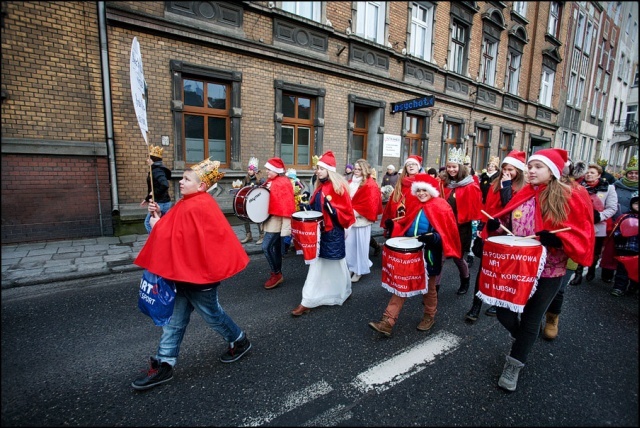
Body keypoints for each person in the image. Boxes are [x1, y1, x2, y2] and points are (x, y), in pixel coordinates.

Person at [132, 157, 251, 391]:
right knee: (174, 322)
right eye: (182, 178)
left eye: (186, 179)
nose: (180, 182)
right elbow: (176, 231)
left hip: (199, 279)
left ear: (202, 186)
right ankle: (165, 363)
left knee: (213, 316)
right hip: (183, 275)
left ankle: (240, 341)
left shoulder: (199, 205)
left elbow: (181, 237)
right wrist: (157, 219)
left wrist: (158, 227)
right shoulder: (188, 202)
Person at [481, 148, 594, 391]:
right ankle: (523, 338)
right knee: (504, 313)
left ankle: (514, 365)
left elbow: (580, 232)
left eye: (537, 167)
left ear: (552, 171)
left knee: (532, 317)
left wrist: (557, 241)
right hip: (518, 266)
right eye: (529, 166)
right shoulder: (523, 194)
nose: (530, 170)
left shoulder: (570, 195)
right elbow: (509, 226)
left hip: (549, 271)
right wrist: (496, 227)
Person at [369, 173, 461, 336]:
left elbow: (448, 233)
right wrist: (394, 224)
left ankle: (429, 316)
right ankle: (387, 321)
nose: (421, 193)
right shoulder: (414, 204)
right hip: (411, 254)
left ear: (431, 191)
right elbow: (406, 223)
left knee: (429, 289)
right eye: (418, 190)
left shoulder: (442, 206)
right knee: (401, 287)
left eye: (424, 190)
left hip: (430, 254)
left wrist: (434, 238)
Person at [291, 151, 356, 316]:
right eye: (317, 168)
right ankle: (308, 300)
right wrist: (307, 208)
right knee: (317, 266)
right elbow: (317, 210)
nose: (317, 171)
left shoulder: (338, 187)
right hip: (320, 232)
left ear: (329, 170)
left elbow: (348, 215)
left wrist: (333, 211)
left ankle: (343, 291)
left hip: (333, 232)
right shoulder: (320, 187)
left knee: (337, 264)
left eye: (320, 168)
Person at [465, 150, 526, 322]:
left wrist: (506, 187)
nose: (506, 172)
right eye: (505, 168)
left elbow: (510, 208)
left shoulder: (522, 189)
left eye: (511, 170)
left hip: (507, 236)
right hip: (491, 232)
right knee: (484, 269)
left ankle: (496, 301)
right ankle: (476, 305)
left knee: (502, 271)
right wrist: (483, 225)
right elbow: (488, 207)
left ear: (518, 172)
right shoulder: (494, 184)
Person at [540, 159, 593, 341]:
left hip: (565, 252)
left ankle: (552, 318)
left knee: (559, 288)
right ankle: (533, 319)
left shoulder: (578, 191)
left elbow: (584, 226)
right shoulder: (539, 189)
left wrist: (562, 240)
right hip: (540, 250)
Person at [438, 147, 482, 295]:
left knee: (457, 258)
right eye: (449, 166)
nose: (451, 169)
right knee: (441, 258)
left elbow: (475, 208)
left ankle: (465, 279)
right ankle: (434, 290)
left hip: (461, 228)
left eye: (454, 167)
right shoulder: (444, 184)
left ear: (460, 167)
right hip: (443, 226)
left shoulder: (470, 186)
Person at [570, 164, 618, 284]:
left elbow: (612, 208)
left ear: (599, 175)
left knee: (595, 251)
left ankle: (591, 268)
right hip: (581, 224)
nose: (589, 175)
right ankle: (578, 274)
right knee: (581, 249)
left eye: (592, 172)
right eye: (587, 172)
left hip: (598, 225)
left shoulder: (609, 188)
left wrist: (599, 216)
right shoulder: (578, 187)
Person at [598, 164, 639, 280]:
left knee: (630, 250)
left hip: (635, 224)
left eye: (636, 174)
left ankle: (626, 275)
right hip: (616, 220)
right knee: (611, 249)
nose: (633, 175)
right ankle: (607, 273)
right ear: (626, 175)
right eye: (631, 173)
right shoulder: (615, 186)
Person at [261, 157, 296, 289]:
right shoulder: (271, 182)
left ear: (276, 170)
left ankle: (276, 274)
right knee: (274, 248)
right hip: (271, 219)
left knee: (266, 247)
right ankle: (277, 273)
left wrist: (286, 227)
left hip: (278, 221)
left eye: (269, 169)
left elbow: (286, 205)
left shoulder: (282, 183)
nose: (267, 171)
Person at [345, 159, 381, 282]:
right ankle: (351, 266)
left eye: (359, 169)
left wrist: (354, 212)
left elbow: (370, 204)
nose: (356, 171)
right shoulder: (350, 182)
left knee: (361, 247)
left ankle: (359, 270)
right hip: (350, 219)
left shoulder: (370, 184)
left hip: (361, 221)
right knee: (349, 246)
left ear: (365, 170)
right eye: (355, 168)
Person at [381, 155, 423, 237]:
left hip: (415, 223)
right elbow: (390, 204)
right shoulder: (400, 183)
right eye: (408, 164)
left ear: (418, 167)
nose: (411, 166)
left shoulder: (424, 183)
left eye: (414, 164)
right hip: (398, 222)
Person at [609, 194, 639, 296]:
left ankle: (633, 287)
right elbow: (617, 229)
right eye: (636, 203)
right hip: (625, 247)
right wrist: (620, 236)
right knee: (622, 269)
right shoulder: (625, 216)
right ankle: (619, 287)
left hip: (637, 249)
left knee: (636, 269)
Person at [140, 145, 172, 233]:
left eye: (148, 158)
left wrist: (153, 194)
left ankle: (156, 241)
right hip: (163, 201)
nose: (147, 160)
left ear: (153, 160)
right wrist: (147, 198)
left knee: (148, 222)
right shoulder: (156, 169)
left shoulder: (157, 170)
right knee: (163, 224)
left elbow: (164, 185)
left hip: (160, 203)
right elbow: (154, 188)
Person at [239, 157, 265, 244]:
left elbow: (264, 191)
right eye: (248, 169)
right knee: (245, 218)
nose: (249, 171)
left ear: (255, 170)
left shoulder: (261, 179)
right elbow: (244, 189)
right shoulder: (247, 179)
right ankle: (248, 235)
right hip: (248, 202)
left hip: (257, 203)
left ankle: (262, 236)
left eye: (251, 169)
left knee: (258, 219)